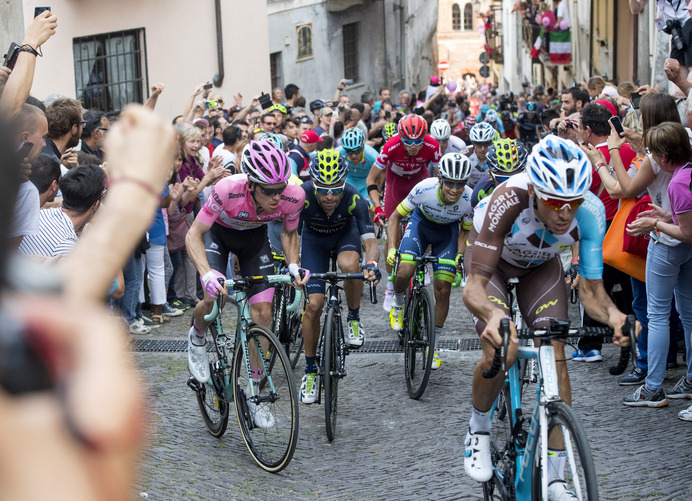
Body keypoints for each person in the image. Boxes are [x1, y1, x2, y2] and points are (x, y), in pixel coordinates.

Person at [461, 136, 628, 499]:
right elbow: (473, 286)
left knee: (555, 355)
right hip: (494, 268)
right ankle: (479, 428)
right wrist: (492, 315)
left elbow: (591, 292)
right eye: (554, 202)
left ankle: (554, 478)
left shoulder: (591, 213)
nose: (565, 213)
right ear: (535, 191)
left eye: (573, 202)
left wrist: (615, 315)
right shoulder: (508, 197)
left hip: (541, 267)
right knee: (500, 348)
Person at [185, 140, 309, 425]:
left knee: (263, 314)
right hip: (218, 236)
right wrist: (207, 273)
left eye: (280, 189)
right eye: (268, 191)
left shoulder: (294, 195)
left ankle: (255, 393)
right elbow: (193, 235)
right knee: (212, 296)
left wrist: (292, 265)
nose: (277, 198)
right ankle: (198, 336)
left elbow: (290, 234)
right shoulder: (226, 189)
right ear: (251, 184)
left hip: (254, 242)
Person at [297, 149, 381, 403]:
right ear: (314, 183)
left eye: (336, 188)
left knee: (350, 264)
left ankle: (354, 317)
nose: (330, 195)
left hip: (345, 236)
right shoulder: (303, 196)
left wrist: (372, 262)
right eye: (323, 189)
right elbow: (291, 235)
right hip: (314, 242)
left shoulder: (354, 198)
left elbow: (370, 240)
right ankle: (310, 370)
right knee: (314, 306)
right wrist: (292, 264)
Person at [622, 121, 692, 409]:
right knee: (687, 315)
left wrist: (654, 223)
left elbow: (687, 232)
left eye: (652, 153)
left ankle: (652, 388)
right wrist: (666, 216)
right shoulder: (685, 173)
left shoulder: (677, 181)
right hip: (685, 251)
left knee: (658, 315)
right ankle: (689, 379)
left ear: (664, 158)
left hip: (669, 249)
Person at [387, 153, 474, 369]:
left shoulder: (468, 199)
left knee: (443, 289)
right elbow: (395, 217)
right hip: (420, 227)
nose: (455, 189)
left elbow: (466, 231)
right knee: (405, 271)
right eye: (450, 183)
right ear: (440, 178)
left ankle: (432, 346)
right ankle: (398, 304)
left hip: (448, 235)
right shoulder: (424, 189)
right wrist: (390, 248)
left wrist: (459, 255)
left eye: (460, 184)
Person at [365, 114, 442, 311]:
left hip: (420, 181)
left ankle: (422, 264)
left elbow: (440, 178)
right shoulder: (391, 145)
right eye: (408, 142)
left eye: (418, 141)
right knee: (393, 230)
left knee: (427, 223)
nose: (413, 146)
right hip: (396, 185)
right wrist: (378, 207)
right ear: (400, 137)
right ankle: (391, 287)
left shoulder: (432, 145)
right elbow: (371, 180)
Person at [470, 138, 528, 208]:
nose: (510, 185)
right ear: (491, 174)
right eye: (502, 179)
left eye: (516, 178)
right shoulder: (479, 196)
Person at [337, 128, 379, 202]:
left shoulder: (373, 156)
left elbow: (383, 172)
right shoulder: (337, 153)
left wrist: (378, 188)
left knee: (369, 207)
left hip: (366, 184)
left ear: (363, 147)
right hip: (348, 182)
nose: (353, 155)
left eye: (357, 151)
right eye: (349, 152)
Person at [467, 122, 496, 189]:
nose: (483, 149)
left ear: (491, 143)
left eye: (486, 144)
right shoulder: (466, 155)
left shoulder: (496, 157)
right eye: (478, 144)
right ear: (473, 143)